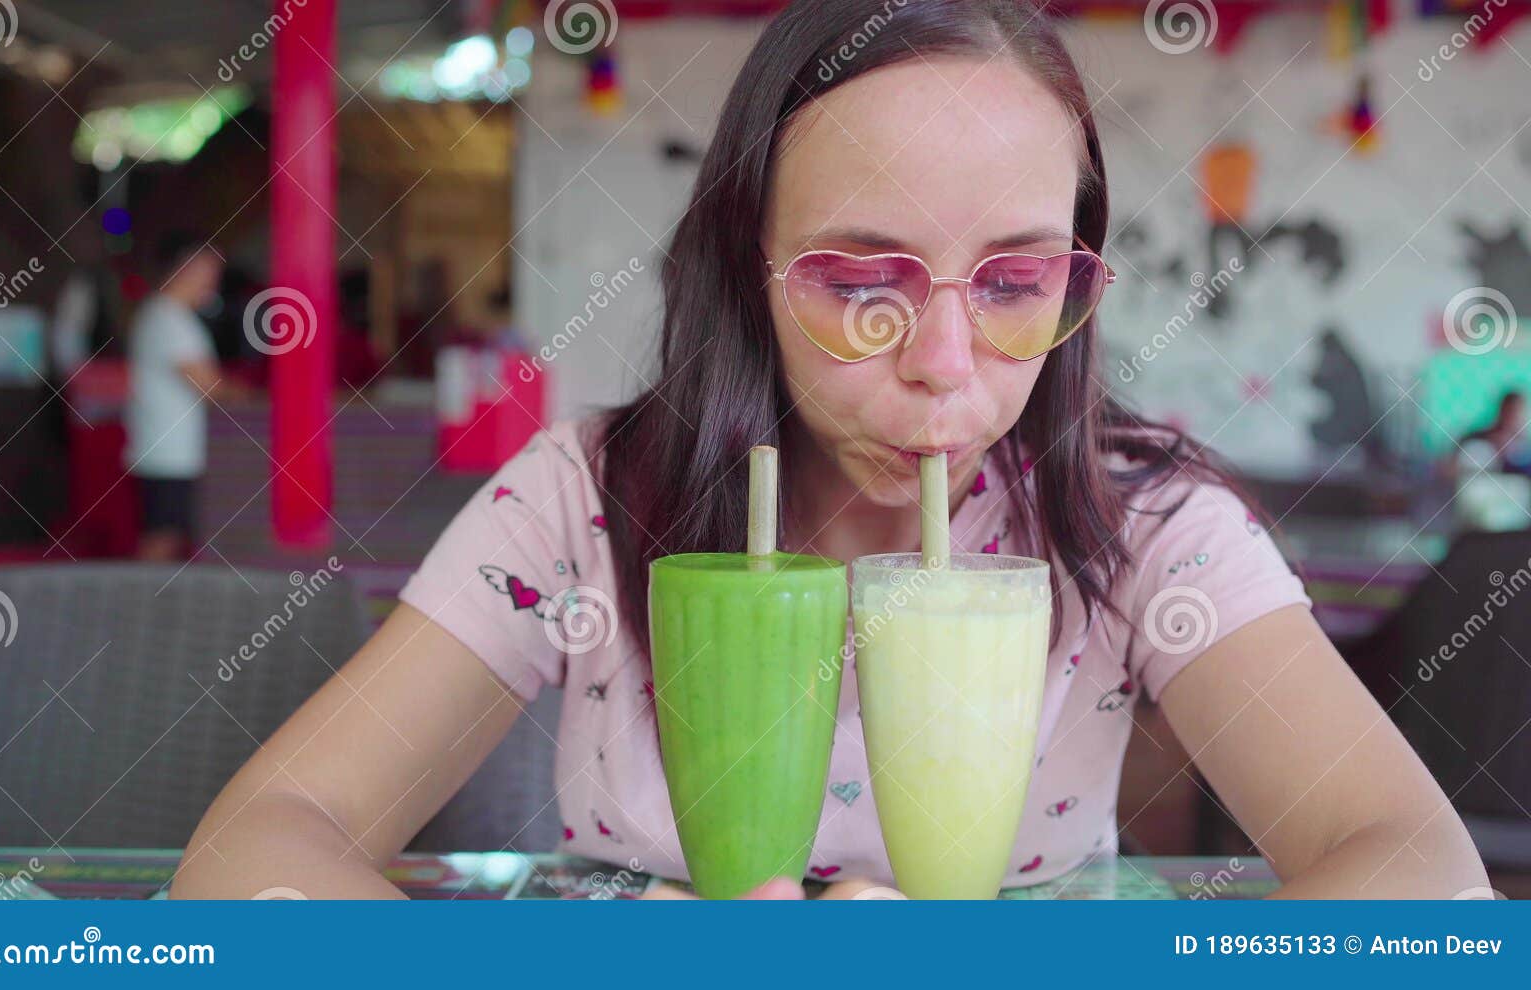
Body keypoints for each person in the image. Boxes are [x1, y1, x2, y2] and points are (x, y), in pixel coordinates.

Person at [173, 0, 1485, 900]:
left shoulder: (1142, 523)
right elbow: (255, 850)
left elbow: (1418, 873)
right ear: (747, 278)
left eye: (1017, 282)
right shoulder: (582, 502)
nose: (945, 362)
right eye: (866, 282)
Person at [123, 232, 232, 562]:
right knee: (162, 539)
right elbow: (208, 385)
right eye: (209, 273)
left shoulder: (173, 317)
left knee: (170, 538)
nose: (212, 285)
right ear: (188, 269)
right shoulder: (167, 318)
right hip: (167, 452)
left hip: (174, 451)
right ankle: (143, 607)